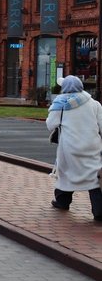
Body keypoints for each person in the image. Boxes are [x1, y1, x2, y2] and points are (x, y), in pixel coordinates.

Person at [47, 75, 102, 221]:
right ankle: (99, 211)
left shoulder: (60, 103)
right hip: (92, 145)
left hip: (69, 147)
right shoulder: (94, 104)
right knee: (94, 178)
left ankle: (62, 202)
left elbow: (50, 124)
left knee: (66, 173)